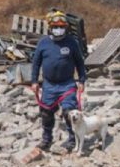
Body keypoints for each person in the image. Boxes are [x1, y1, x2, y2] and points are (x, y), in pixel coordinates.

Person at [31, 10, 87, 151]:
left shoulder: (71, 42)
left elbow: (80, 62)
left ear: (66, 27)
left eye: (61, 26)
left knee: (70, 111)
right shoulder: (43, 43)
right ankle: (46, 139)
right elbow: (36, 63)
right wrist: (34, 82)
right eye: (56, 26)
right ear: (50, 27)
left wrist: (81, 80)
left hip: (67, 84)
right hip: (49, 85)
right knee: (46, 113)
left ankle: (72, 139)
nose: (59, 29)